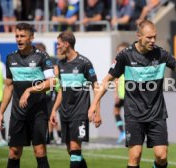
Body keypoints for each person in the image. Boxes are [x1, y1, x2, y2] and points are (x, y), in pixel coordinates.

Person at [88, 20, 176, 168]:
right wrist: (94, 104)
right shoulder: (125, 56)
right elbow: (106, 80)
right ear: (139, 36)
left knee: (161, 156)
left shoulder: (161, 54)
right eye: (149, 37)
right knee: (135, 156)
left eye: (154, 37)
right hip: (134, 115)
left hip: (157, 114)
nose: (153, 40)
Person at [0, 23, 55, 168]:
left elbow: (52, 82)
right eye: (17, 36)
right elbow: (9, 86)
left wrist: (30, 90)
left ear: (31, 38)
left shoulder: (42, 57)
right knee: (14, 152)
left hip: (38, 113)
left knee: (40, 151)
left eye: (22, 36)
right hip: (18, 114)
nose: (19, 39)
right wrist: (1, 112)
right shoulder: (10, 58)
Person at [50, 31, 101, 168]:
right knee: (71, 151)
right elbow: (61, 89)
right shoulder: (60, 64)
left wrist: (97, 111)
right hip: (64, 112)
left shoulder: (84, 63)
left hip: (80, 113)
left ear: (66, 44)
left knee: (75, 150)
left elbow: (96, 87)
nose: (57, 47)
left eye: (59, 44)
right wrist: (54, 110)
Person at [35, 43, 62, 145]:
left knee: (52, 114)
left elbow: (56, 73)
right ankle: (50, 137)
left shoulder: (52, 60)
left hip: (52, 89)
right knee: (47, 115)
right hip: (44, 89)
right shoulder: (37, 60)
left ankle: (58, 136)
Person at [113, 42, 129, 144]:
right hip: (123, 92)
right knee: (117, 111)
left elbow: (117, 78)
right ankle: (124, 133)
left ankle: (125, 133)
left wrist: (116, 93)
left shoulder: (124, 63)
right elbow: (116, 78)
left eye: (120, 51)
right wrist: (116, 92)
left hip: (125, 93)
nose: (119, 53)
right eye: (118, 51)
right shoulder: (121, 62)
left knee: (125, 114)